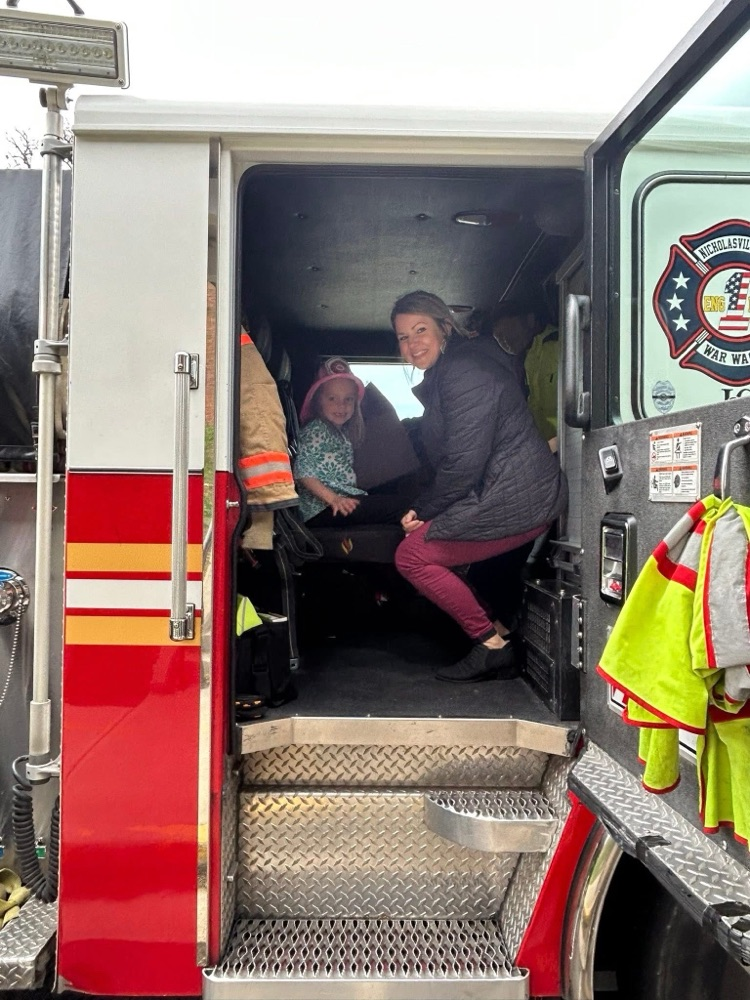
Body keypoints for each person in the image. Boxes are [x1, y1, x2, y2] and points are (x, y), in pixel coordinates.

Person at [391, 291, 567, 683]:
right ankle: (502, 635)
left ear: (445, 329)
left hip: (520, 497)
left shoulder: (463, 372)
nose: (412, 343)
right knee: (426, 553)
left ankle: (491, 646)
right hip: (504, 492)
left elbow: (465, 462)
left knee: (412, 556)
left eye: (421, 330)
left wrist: (424, 510)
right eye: (403, 337)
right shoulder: (447, 376)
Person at [294, 356, 406, 527]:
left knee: (392, 499)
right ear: (318, 401)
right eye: (332, 398)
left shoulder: (339, 431)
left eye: (348, 399)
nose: (341, 405)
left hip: (339, 501)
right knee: (403, 507)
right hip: (321, 509)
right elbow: (303, 473)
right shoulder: (316, 430)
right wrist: (334, 499)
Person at [491, 298, 559, 449]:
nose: (505, 341)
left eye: (509, 332)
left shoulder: (560, 344)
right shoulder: (524, 360)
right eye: (499, 338)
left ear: (530, 320)